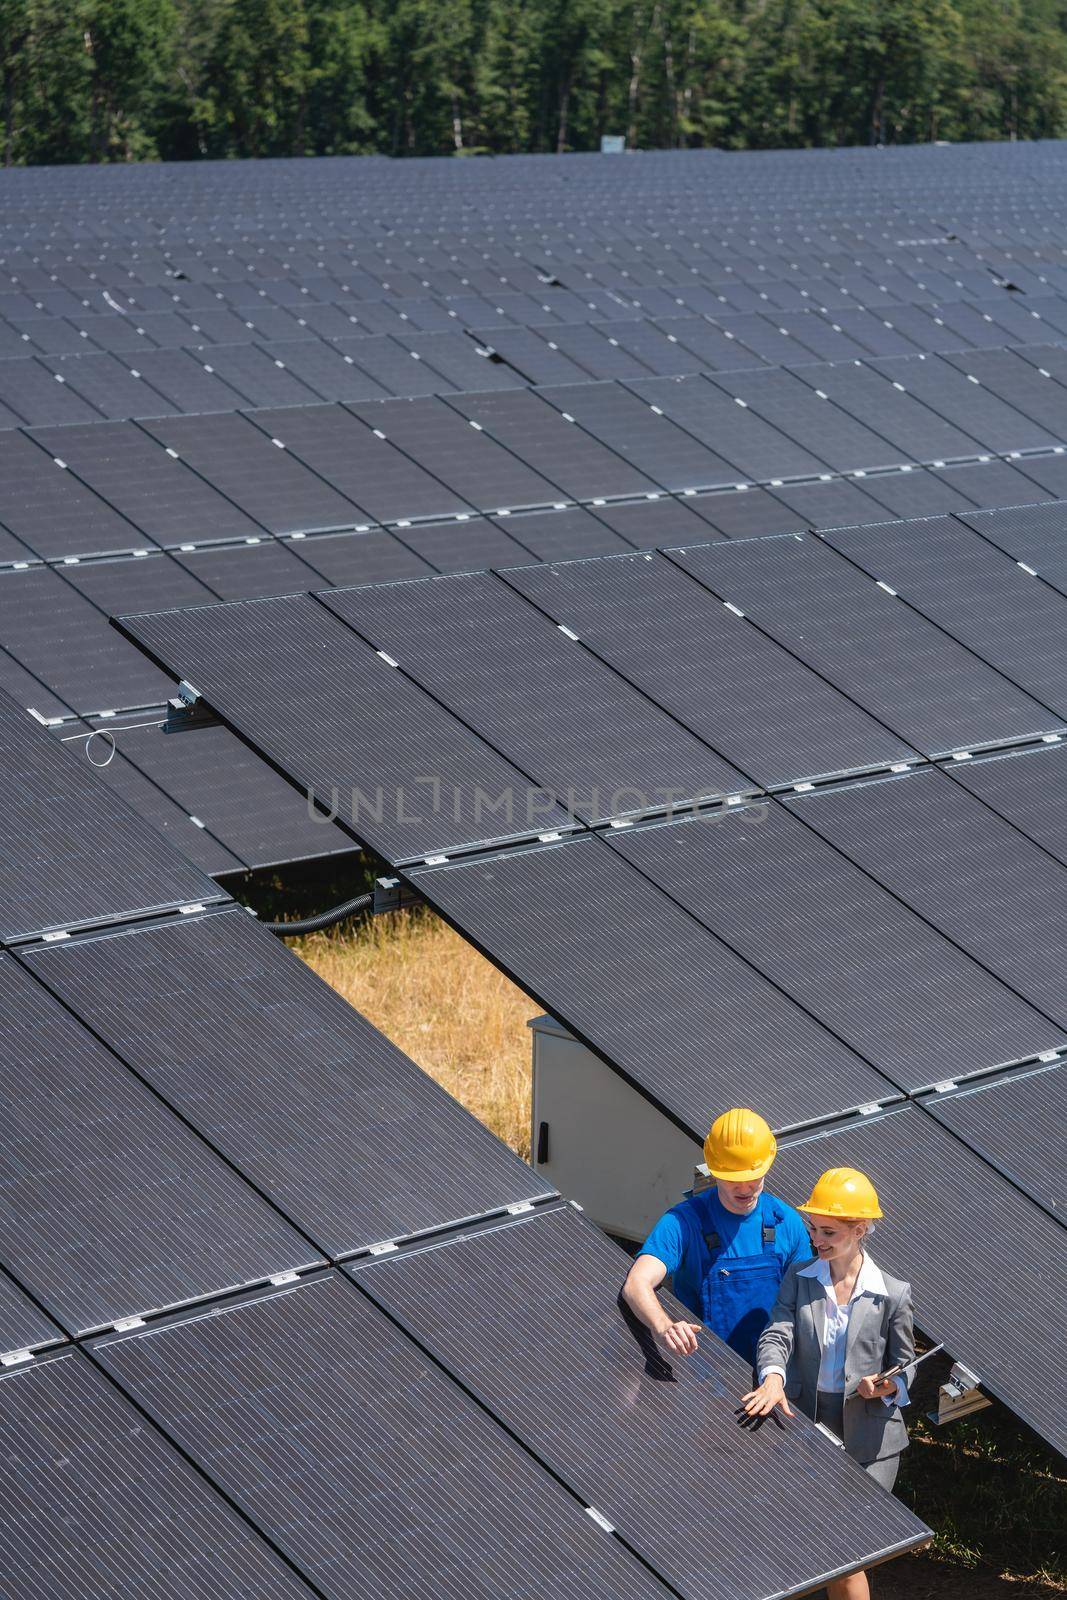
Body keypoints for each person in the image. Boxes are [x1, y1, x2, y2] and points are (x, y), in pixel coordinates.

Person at [741, 1167, 915, 1600]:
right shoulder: (799, 1278)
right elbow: (778, 1332)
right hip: (806, 1422)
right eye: (813, 1228)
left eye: (829, 1231)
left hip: (870, 1436)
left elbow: (906, 1362)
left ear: (860, 1230)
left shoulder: (892, 1293)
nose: (817, 1239)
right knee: (813, 1548)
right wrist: (773, 1378)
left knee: (846, 1551)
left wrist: (889, 1386)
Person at [622, 1107, 812, 1364]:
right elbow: (636, 1284)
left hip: (773, 1372)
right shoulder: (683, 1222)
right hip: (705, 1375)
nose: (744, 1188)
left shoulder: (786, 1221)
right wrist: (665, 1327)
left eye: (752, 1178)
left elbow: (804, 1301)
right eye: (733, 1178)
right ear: (715, 1170)